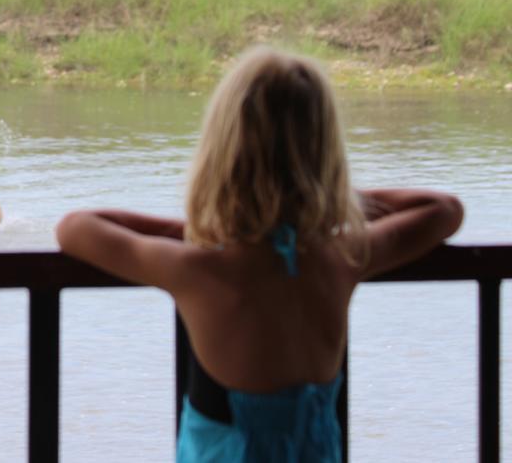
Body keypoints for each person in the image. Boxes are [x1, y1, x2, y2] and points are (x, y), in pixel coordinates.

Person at [55, 47, 463, 462]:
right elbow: (443, 209)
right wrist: (325, 195)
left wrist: (196, 231)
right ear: (325, 153)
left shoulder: (197, 268)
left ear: (221, 157)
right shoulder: (344, 256)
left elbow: (75, 228)